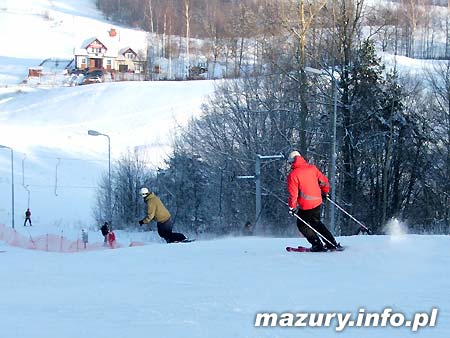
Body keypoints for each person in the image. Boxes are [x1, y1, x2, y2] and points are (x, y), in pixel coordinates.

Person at [286, 151, 340, 252]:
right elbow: (324, 181)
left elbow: (293, 194)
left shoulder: (293, 175)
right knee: (316, 222)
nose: (289, 165)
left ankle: (317, 244)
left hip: (306, 204)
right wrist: (325, 192)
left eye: (290, 163)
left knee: (302, 225)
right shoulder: (312, 168)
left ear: (293, 161)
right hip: (317, 201)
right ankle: (331, 242)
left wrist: (292, 207)